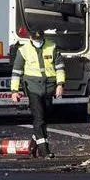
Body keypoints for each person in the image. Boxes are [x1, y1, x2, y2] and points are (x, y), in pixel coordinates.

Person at [10, 29, 65, 158]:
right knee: (39, 118)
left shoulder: (52, 47)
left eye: (40, 39)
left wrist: (60, 85)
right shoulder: (23, 50)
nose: (38, 42)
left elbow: (60, 67)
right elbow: (16, 72)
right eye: (35, 39)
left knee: (46, 117)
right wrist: (14, 91)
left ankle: (33, 146)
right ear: (30, 38)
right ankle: (45, 151)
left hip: (49, 87)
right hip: (32, 87)